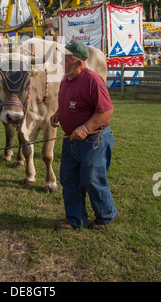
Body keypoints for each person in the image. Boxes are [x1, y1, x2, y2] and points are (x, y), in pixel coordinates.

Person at [50, 40, 118, 230]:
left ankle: (106, 215)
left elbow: (106, 111)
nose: (61, 63)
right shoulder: (66, 80)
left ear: (78, 62)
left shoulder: (92, 80)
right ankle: (75, 220)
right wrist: (58, 113)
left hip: (93, 140)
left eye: (65, 59)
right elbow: (69, 101)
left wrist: (85, 128)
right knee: (69, 179)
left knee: (92, 179)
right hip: (70, 140)